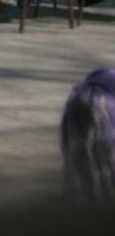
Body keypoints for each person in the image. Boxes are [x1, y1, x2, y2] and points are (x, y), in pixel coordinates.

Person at [61, 68, 115, 205]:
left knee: (78, 158)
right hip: (100, 109)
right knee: (105, 162)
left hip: (76, 104)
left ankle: (82, 199)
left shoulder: (101, 74)